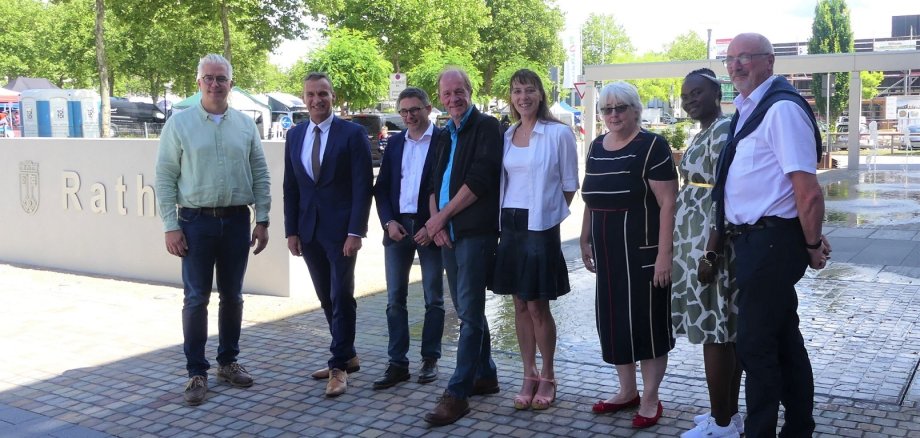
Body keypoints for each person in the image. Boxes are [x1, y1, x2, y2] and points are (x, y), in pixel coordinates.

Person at [712, 33, 831, 437]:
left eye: (746, 57)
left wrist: (812, 244)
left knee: (754, 346)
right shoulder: (751, 108)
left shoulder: (780, 110)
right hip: (757, 242)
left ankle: (760, 431)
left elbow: (808, 191)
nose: (736, 65)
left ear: (769, 62)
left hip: (772, 243)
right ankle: (799, 427)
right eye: (730, 59)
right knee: (784, 342)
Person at [154, 53, 270, 406]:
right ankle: (196, 372)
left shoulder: (245, 125)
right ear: (198, 81)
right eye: (209, 78)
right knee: (195, 298)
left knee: (233, 296)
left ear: (231, 83)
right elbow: (164, 177)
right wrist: (170, 226)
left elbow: (261, 174)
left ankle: (228, 362)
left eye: (222, 78)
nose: (215, 84)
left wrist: (262, 220)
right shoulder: (179, 124)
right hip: (195, 223)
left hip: (236, 220)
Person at [580, 81, 677, 430]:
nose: (614, 115)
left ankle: (650, 398)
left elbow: (668, 204)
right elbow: (590, 197)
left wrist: (665, 255)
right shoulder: (596, 147)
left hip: (643, 252)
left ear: (636, 110)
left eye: (621, 107)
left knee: (647, 325)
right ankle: (626, 391)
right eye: (607, 109)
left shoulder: (653, 146)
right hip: (607, 252)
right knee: (615, 321)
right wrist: (584, 235)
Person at [490, 69, 578, 411]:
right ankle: (528, 374)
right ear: (511, 98)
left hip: (540, 225)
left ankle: (549, 375)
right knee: (519, 304)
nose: (522, 97)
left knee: (538, 305)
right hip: (509, 224)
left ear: (540, 95)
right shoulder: (508, 133)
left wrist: (547, 214)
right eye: (516, 91)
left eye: (529, 90)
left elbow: (570, 185)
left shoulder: (558, 134)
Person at [283, 72, 373, 397]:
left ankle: (338, 366)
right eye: (311, 94)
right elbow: (290, 188)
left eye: (323, 93)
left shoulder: (352, 134)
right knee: (325, 296)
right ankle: (347, 354)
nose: (317, 99)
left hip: (341, 232)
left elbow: (364, 188)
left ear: (332, 96)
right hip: (309, 231)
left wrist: (355, 231)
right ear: (303, 97)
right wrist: (291, 231)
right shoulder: (294, 136)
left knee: (341, 295)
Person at [423, 68, 503, 426]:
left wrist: (440, 220)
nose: (453, 98)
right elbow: (431, 182)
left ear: (470, 92)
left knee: (468, 314)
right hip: (447, 234)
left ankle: (457, 393)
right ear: (440, 97)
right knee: (467, 308)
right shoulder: (442, 133)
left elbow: (479, 181)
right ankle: (485, 374)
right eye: (447, 93)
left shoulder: (487, 127)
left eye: (459, 91)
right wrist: (435, 220)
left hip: (473, 233)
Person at [671, 68, 744, 438]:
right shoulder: (705, 132)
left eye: (696, 93)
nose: (689, 100)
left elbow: (724, 193)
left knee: (715, 332)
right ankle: (727, 416)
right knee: (720, 333)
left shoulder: (724, 130)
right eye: (685, 95)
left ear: (717, 94)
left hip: (708, 244)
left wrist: (711, 254)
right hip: (695, 240)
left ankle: (721, 425)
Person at [372, 87, 445, 390]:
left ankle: (430, 360)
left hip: (430, 227)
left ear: (429, 109)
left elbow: (446, 186)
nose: (409, 116)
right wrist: (388, 222)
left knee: (434, 298)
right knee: (394, 300)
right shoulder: (396, 143)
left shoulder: (443, 140)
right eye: (403, 111)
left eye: (414, 109)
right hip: (398, 228)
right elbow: (382, 187)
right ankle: (397, 363)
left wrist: (434, 225)